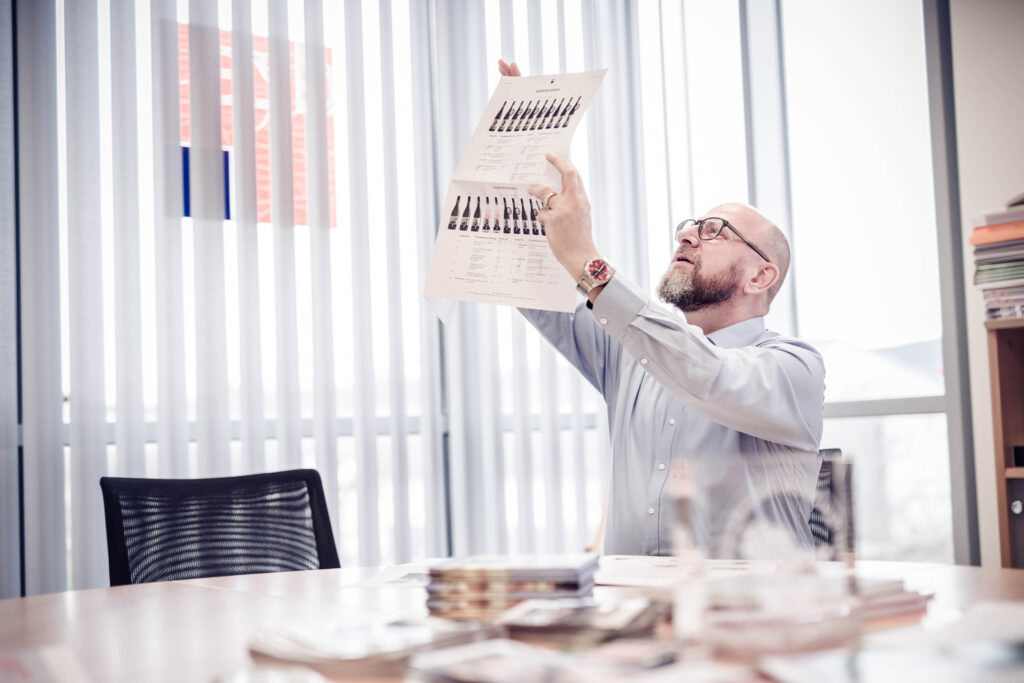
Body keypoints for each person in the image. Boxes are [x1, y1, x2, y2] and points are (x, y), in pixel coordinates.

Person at [499, 59, 826, 558]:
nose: (687, 233)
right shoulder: (632, 350)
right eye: (690, 225)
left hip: (749, 620)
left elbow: (705, 374)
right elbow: (529, 282)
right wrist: (518, 144)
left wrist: (589, 261)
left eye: (715, 230)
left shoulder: (793, 369)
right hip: (633, 613)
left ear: (761, 276)